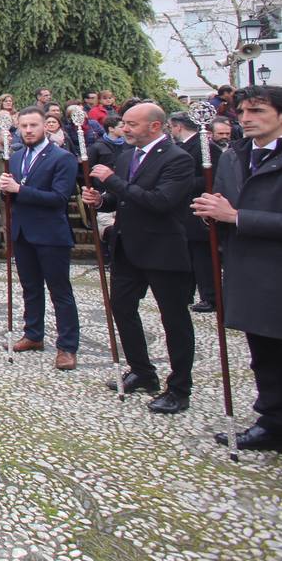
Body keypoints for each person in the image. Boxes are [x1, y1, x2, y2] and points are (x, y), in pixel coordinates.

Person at [83, 103, 197, 414]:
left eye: (132, 124)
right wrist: (101, 200)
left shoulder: (177, 159)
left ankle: (179, 387)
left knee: (174, 319)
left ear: (155, 127)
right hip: (129, 247)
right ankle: (142, 371)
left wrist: (112, 182)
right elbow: (121, 199)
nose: (125, 128)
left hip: (163, 250)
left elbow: (160, 202)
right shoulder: (127, 156)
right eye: (124, 124)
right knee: (121, 306)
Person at [192, 85, 282, 452]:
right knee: (263, 354)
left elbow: (237, 212)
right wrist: (211, 217)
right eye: (242, 111)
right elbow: (224, 206)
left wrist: (236, 216)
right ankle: (272, 420)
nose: (246, 119)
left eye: (257, 111)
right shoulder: (233, 156)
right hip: (247, 268)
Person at [0, 107, 80, 370]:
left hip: (50, 233)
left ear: (46, 126)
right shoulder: (17, 156)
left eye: (34, 125)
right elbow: (11, 195)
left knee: (60, 291)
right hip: (22, 231)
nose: (29, 130)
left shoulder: (62, 158)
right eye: (24, 126)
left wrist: (19, 189)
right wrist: (5, 190)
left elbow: (59, 198)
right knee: (30, 288)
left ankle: (67, 346)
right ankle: (33, 334)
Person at [168, 112, 222, 314]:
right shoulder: (182, 147)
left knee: (203, 257)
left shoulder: (205, 146)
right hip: (184, 209)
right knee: (189, 255)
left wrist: (181, 183)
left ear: (178, 127)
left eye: (171, 127)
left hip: (200, 208)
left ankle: (211, 297)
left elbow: (213, 177)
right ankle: (188, 292)